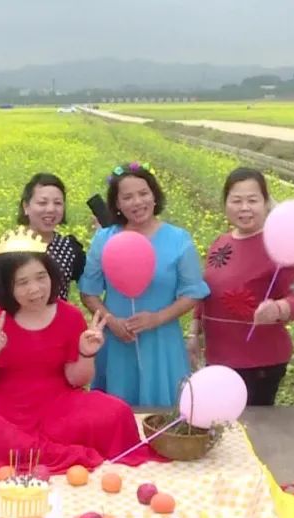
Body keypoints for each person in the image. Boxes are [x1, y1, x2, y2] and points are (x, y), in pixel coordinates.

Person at [0, 230, 166, 476]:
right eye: (22, 282)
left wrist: (86, 353)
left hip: (59, 407)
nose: (35, 289)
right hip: (3, 408)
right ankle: (39, 450)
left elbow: (76, 380)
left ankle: (20, 449)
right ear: (7, 287)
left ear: (52, 276)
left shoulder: (70, 315)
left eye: (40, 277)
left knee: (117, 411)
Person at [78, 162, 210, 408]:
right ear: (117, 204)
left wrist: (157, 318)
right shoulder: (104, 239)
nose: (137, 202)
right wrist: (112, 321)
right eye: (127, 197)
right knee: (116, 413)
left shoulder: (178, 239)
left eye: (143, 193)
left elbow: (193, 292)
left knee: (163, 415)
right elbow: (89, 292)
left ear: (154, 195)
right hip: (117, 342)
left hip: (162, 342)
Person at [187, 168, 294, 406]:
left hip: (259, 362)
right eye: (236, 201)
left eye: (252, 200)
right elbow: (207, 292)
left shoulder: (280, 245)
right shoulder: (221, 243)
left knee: (251, 425)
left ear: (266, 203)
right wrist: (194, 332)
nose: (244, 208)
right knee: (220, 421)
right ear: (225, 204)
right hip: (218, 357)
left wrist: (278, 309)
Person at [0, 173, 85, 310]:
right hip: (13, 322)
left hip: (56, 322)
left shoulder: (69, 248)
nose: (51, 209)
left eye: (58, 203)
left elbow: (91, 285)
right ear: (26, 206)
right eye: (42, 203)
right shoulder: (6, 246)